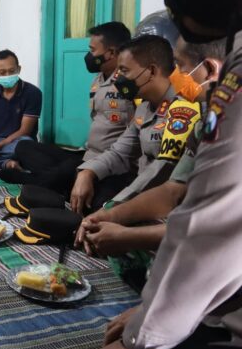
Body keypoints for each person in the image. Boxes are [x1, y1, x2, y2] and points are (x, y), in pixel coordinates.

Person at [87, 0, 242, 349]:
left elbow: (210, 222)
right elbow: (182, 186)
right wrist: (103, 203)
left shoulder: (202, 97)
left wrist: (141, 337)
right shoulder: (184, 96)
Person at [75, 37, 224, 291]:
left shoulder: (186, 112)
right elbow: (172, 188)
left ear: (210, 69)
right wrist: (107, 207)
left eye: (179, 65)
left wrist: (124, 229)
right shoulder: (202, 122)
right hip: (172, 207)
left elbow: (215, 226)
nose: (175, 74)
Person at [0, 22, 134, 193]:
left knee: (67, 169)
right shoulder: (98, 80)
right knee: (24, 147)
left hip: (109, 161)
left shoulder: (129, 84)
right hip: (88, 154)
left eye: (92, 50)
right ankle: (60, 180)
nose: (89, 56)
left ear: (111, 53)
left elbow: (133, 138)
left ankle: (36, 180)